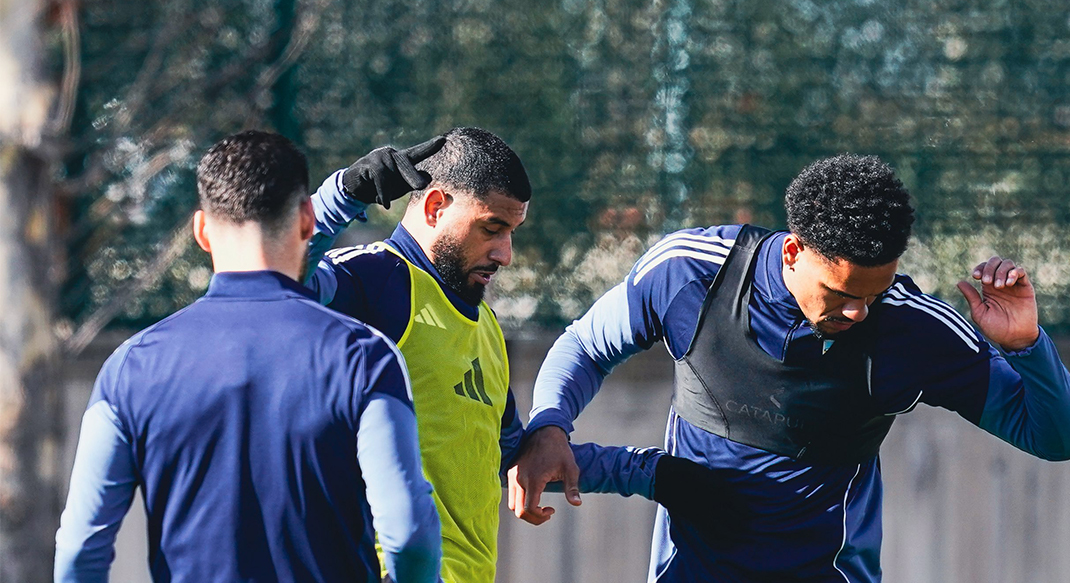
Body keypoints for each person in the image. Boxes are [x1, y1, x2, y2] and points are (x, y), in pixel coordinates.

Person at [508, 153, 1070, 582]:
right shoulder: (693, 273)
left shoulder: (913, 330)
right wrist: (551, 422)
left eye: (873, 294)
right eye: (842, 292)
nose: (859, 311)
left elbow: (1054, 437)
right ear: (794, 250)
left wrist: (1027, 346)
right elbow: (585, 345)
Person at [306, 126, 691, 583]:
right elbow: (269, 279)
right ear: (434, 207)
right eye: (492, 229)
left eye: (511, 232)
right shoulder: (371, 281)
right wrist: (342, 194)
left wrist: (652, 474)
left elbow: (515, 457)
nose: (505, 254)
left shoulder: (485, 326)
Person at [54, 131, 441, 583]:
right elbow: (409, 536)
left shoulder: (130, 367)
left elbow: (80, 550)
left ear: (201, 231)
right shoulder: (364, 357)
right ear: (305, 220)